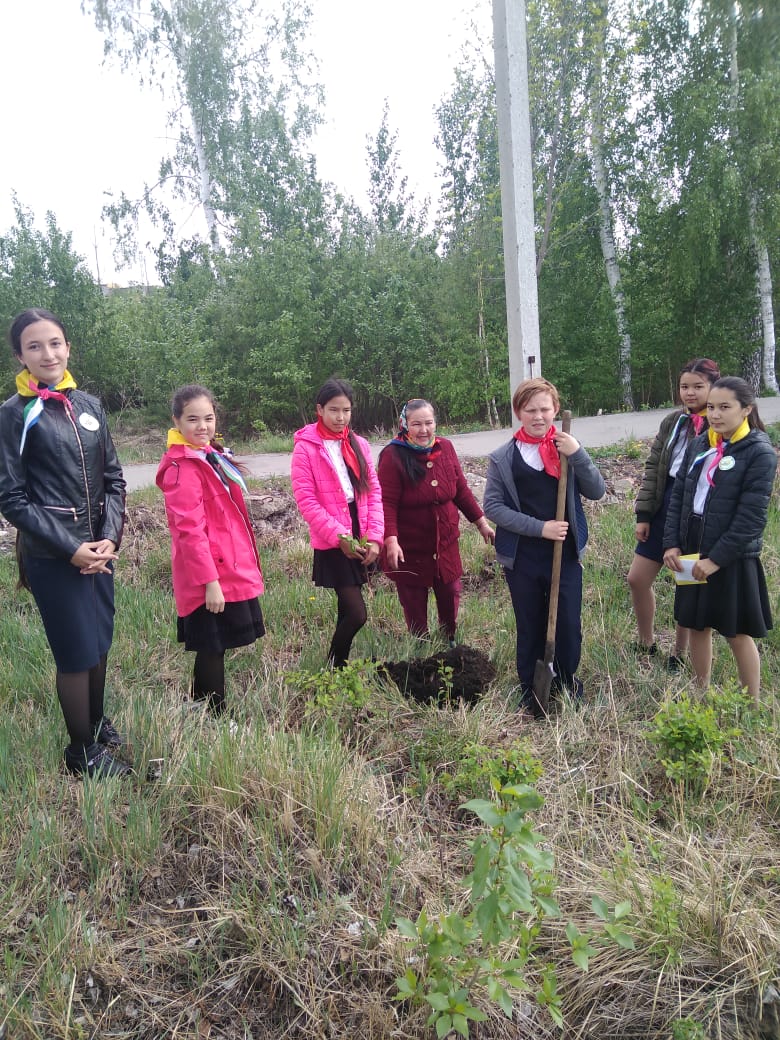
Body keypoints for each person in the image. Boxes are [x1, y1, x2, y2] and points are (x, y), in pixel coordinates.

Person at [0, 309, 130, 778]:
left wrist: (109, 538)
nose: (47, 354)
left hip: (100, 552)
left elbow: (115, 480)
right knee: (75, 653)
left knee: (98, 643)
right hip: (54, 556)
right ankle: (81, 753)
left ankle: (95, 723)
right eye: (34, 346)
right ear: (20, 356)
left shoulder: (89, 405)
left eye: (55, 343)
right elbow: (11, 499)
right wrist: (71, 548)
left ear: (68, 347)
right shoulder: (13, 415)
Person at [483, 378, 605, 713]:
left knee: (568, 623)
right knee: (530, 623)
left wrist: (577, 454)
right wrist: (540, 528)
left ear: (555, 409)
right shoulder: (504, 457)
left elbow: (597, 491)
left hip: (564, 554)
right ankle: (530, 687)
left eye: (545, 409)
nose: (538, 416)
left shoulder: (568, 449)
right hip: (522, 557)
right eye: (530, 410)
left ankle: (566, 682)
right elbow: (493, 507)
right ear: (518, 413)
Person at [663, 377, 776, 705]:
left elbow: (751, 518)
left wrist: (716, 559)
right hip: (691, 546)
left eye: (725, 407)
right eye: (711, 407)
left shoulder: (759, 452)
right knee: (696, 624)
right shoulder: (701, 443)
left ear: (746, 409)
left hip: (731, 555)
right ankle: (701, 694)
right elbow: (679, 495)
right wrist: (672, 543)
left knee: (735, 630)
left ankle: (751, 704)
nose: (715, 414)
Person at [156, 385, 265, 715]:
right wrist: (210, 582)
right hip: (208, 574)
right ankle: (217, 716)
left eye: (208, 418)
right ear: (176, 421)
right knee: (212, 645)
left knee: (213, 644)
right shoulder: (183, 467)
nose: (202, 426)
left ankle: (198, 707)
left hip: (226, 566)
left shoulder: (209, 456)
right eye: (192, 419)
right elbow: (189, 532)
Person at [627, 358, 721, 668]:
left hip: (695, 510)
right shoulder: (674, 422)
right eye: (684, 387)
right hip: (664, 502)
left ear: (714, 387)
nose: (690, 393)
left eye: (698, 386)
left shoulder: (720, 424)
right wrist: (644, 514)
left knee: (686, 581)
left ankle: (679, 653)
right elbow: (654, 467)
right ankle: (646, 641)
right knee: (637, 578)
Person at [377, 398, 494, 643]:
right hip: (410, 546)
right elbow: (386, 503)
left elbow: (461, 490)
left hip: (445, 543)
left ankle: (449, 639)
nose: (424, 430)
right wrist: (391, 539)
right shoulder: (392, 455)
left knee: (450, 591)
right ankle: (421, 645)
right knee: (413, 598)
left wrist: (481, 523)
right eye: (416, 424)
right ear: (404, 424)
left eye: (428, 423)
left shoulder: (446, 448)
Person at [291, 378, 384, 667]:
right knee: (357, 614)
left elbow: (373, 492)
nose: (340, 417)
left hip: (360, 527)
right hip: (332, 534)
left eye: (346, 410)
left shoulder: (359, 444)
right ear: (319, 410)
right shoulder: (306, 448)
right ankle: (332, 664)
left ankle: (337, 670)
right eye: (333, 410)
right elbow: (306, 501)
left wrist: (375, 537)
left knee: (347, 609)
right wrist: (339, 537)